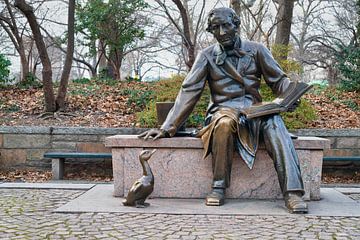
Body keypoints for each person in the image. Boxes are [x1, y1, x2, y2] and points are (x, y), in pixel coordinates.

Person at [139, 7, 308, 213]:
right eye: (215, 28)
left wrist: (290, 94)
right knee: (224, 123)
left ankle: (293, 192)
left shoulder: (257, 50)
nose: (221, 32)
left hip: (253, 112)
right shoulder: (207, 56)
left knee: (275, 122)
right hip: (222, 111)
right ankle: (218, 186)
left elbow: (278, 80)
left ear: (236, 25)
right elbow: (189, 91)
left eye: (226, 26)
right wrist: (167, 127)